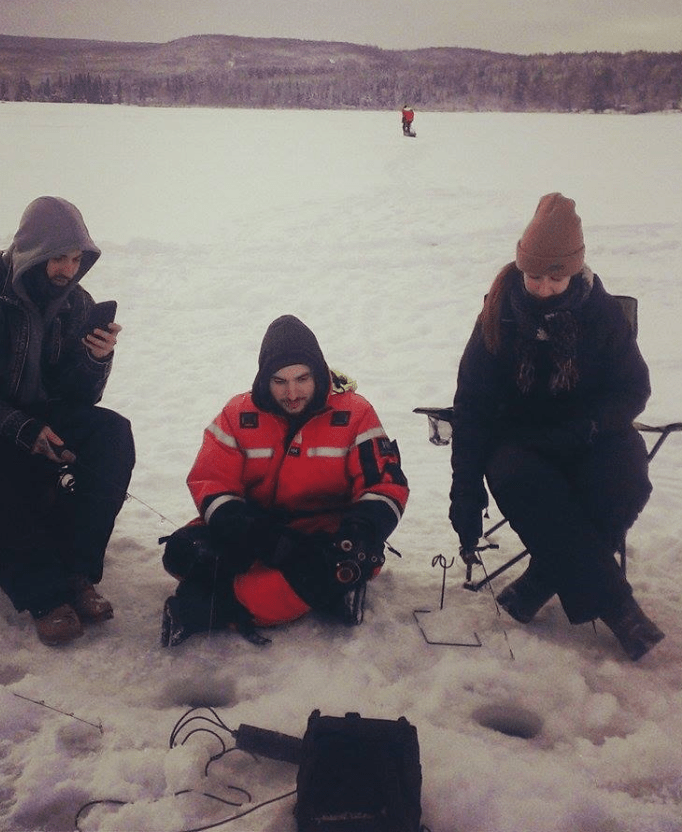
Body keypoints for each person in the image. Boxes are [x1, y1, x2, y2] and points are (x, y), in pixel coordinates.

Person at [448, 192, 665, 661]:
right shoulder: (496, 318)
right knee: (518, 478)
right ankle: (619, 608)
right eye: (534, 276)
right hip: (520, 443)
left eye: (555, 277)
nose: (543, 287)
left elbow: (633, 390)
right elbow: (472, 407)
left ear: (574, 270)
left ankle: (539, 580)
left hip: (592, 433)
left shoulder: (603, 315)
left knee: (627, 479)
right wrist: (465, 492)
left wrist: (590, 426)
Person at [0, 196, 135, 646]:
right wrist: (21, 428)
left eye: (76, 259)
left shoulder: (76, 304)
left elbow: (78, 399)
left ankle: (76, 570)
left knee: (111, 432)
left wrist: (95, 360)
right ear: (31, 251)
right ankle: (44, 595)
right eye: (58, 258)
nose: (67, 270)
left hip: (32, 417)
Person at [161, 314, 408, 646]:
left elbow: (384, 485)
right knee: (181, 552)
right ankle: (335, 595)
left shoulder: (356, 413)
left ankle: (210, 607)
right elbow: (211, 481)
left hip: (327, 537)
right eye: (280, 381)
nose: (292, 393)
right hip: (258, 529)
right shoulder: (237, 414)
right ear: (264, 380)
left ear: (319, 374)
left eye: (302, 379)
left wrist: (361, 531)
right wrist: (247, 530)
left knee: (305, 574)